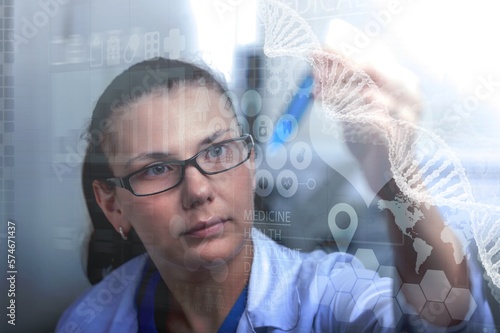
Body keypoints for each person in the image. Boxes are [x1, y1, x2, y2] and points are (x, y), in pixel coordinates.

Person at [56, 57, 493, 332]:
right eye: (156, 169)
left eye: (216, 150)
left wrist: (395, 173)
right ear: (113, 203)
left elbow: (447, 319)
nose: (198, 189)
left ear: (249, 160)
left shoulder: (326, 298)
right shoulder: (89, 320)